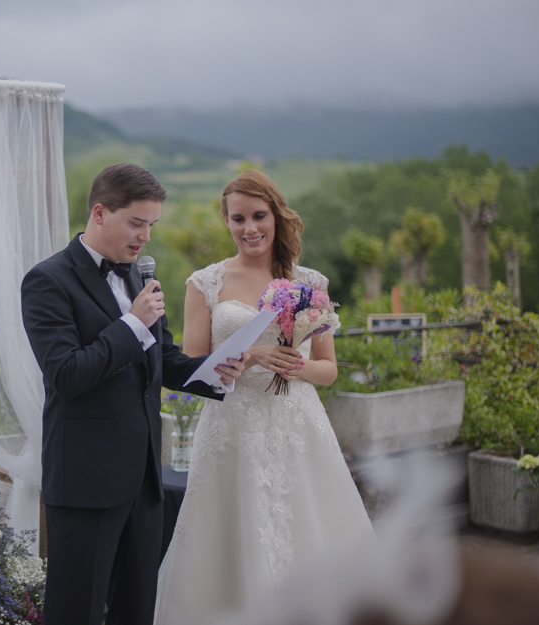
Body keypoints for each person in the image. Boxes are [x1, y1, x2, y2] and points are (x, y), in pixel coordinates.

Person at [21, 163, 248, 625]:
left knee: (136, 610)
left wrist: (216, 372)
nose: (146, 237)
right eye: (137, 223)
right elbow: (66, 374)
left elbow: (162, 359)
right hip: (86, 481)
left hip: (145, 482)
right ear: (100, 213)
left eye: (152, 225)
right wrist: (130, 324)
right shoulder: (47, 280)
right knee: (76, 612)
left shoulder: (136, 277)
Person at [154, 170, 375, 623]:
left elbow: (328, 370)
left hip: (297, 424)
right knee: (228, 535)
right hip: (232, 425)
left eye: (259, 216)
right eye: (238, 219)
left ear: (276, 216)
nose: (250, 228)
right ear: (226, 221)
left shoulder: (311, 281)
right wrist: (251, 357)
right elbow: (192, 367)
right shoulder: (205, 283)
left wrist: (296, 365)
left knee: (310, 527)